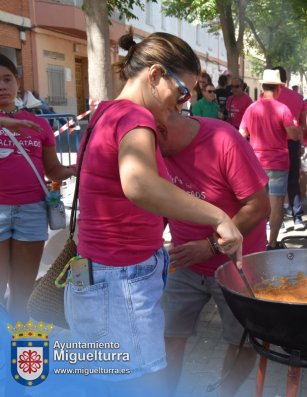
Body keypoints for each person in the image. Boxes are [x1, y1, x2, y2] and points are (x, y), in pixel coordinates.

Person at [64, 31, 243, 397]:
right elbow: (139, 184)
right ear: (156, 74)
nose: (182, 104)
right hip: (121, 283)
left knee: (103, 379)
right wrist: (218, 216)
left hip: (98, 275)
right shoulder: (134, 116)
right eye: (182, 92)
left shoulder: (104, 113)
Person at [158, 111, 269, 396]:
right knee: (166, 335)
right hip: (184, 261)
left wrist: (209, 246)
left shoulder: (223, 140)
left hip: (238, 265)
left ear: (161, 130)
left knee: (243, 341)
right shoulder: (156, 149)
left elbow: (259, 206)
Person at [0, 54, 76, 321]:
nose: (2, 86)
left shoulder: (39, 124)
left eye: (7, 79)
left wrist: (80, 168)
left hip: (32, 212)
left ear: (17, 82)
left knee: (22, 292)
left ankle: (19, 354)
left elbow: (53, 169)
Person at [239, 69, 299, 250]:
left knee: (256, 205)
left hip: (256, 163)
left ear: (262, 87)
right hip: (278, 163)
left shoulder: (251, 109)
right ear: (279, 88)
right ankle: (271, 243)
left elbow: (242, 134)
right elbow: (293, 135)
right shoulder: (283, 109)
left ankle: (256, 244)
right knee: (276, 204)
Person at [272, 66, 306, 231]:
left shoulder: (268, 98)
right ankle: (297, 218)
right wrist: (301, 143)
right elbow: (302, 123)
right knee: (293, 180)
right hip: (292, 142)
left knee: (274, 184)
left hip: (273, 145)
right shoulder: (297, 97)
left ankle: (278, 221)